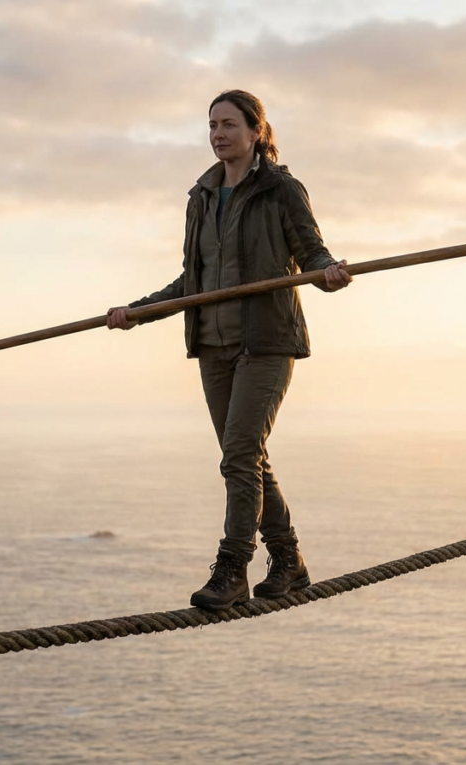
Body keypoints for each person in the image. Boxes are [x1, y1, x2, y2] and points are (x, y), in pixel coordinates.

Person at [107, 89, 351, 610]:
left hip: (266, 342)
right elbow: (191, 282)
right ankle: (288, 560)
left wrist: (329, 274)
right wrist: (137, 312)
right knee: (246, 458)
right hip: (212, 346)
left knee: (239, 455)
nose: (218, 134)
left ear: (256, 131)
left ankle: (233, 569)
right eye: (212, 126)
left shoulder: (281, 189)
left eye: (229, 125)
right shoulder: (200, 198)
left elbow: (312, 254)